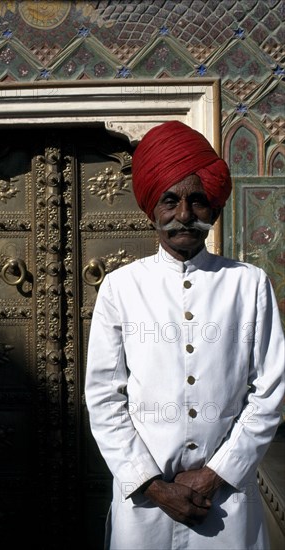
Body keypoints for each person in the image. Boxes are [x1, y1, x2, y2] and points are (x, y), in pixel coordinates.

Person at [84, 120, 285, 550]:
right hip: (145, 504)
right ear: (152, 206)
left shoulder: (249, 285)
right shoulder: (121, 287)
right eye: (170, 201)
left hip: (227, 502)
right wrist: (154, 486)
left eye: (197, 201)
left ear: (213, 207)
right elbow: (104, 397)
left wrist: (218, 473)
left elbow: (270, 392)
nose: (184, 215)